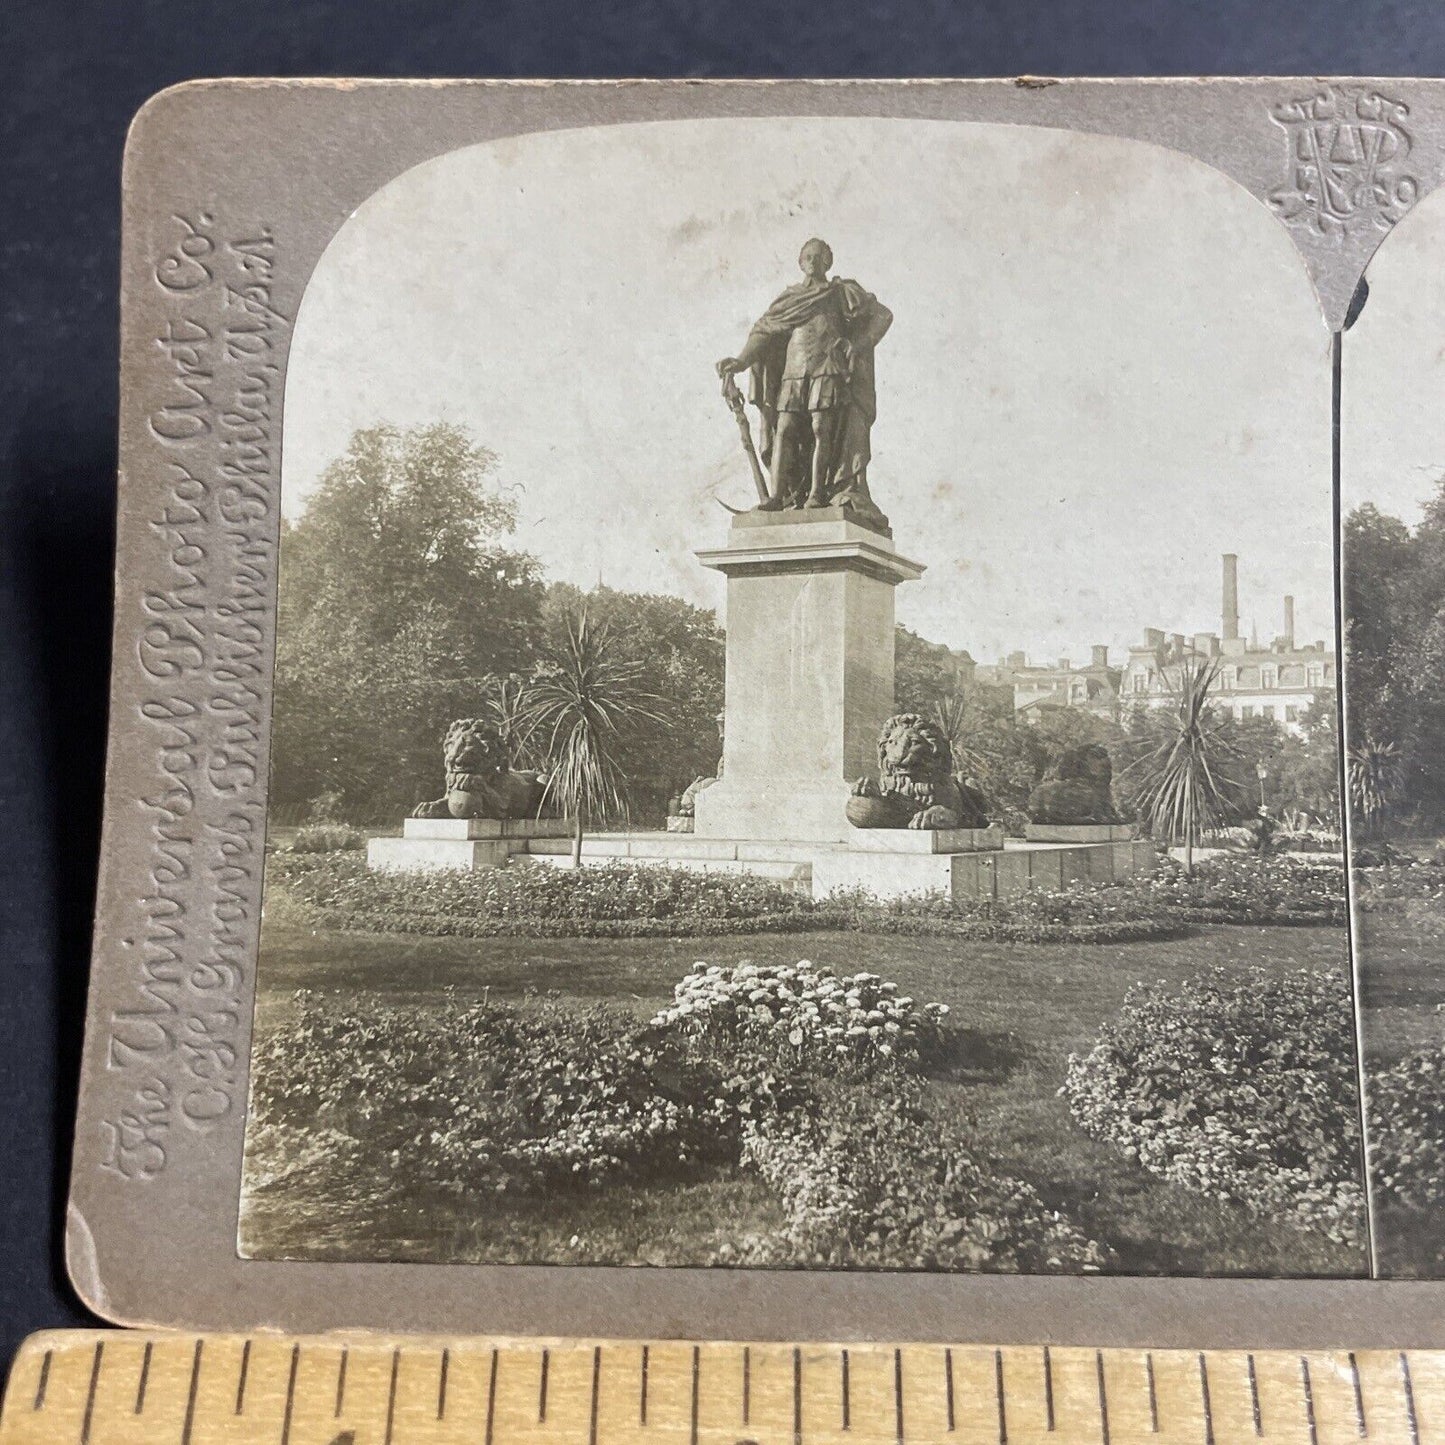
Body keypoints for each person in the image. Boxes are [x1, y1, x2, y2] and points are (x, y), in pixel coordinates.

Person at [716, 239, 892, 520]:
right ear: (800, 262)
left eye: (819, 256)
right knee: (784, 429)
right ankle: (776, 496)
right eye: (808, 256)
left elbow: (883, 315)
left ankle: (816, 494)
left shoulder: (840, 292)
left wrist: (857, 345)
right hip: (794, 371)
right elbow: (764, 331)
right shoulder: (790, 298)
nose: (813, 261)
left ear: (828, 262)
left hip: (827, 367)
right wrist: (741, 361)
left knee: (822, 427)